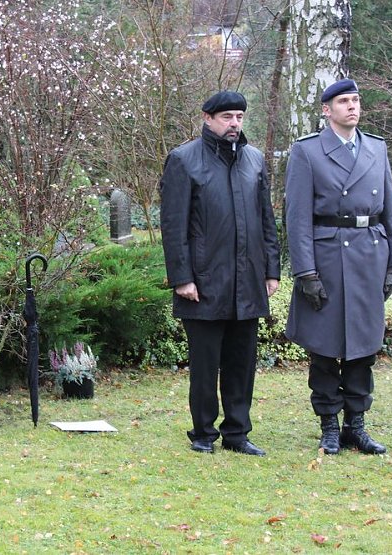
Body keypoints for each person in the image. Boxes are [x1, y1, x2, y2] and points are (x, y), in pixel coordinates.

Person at [284, 78, 392, 455]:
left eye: (355, 100)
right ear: (327, 110)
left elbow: (389, 209)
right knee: (324, 349)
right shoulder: (307, 152)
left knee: (363, 349)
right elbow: (298, 217)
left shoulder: (376, 148)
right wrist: (305, 272)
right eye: (343, 102)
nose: (352, 107)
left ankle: (356, 425)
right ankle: (329, 427)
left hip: (369, 257)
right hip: (325, 259)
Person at [159, 90, 281, 456]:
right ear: (208, 118)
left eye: (240, 117)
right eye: (227, 116)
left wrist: (271, 270)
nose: (234, 124)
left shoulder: (254, 159)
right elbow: (173, 224)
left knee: (242, 363)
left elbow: (266, 220)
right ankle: (202, 432)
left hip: (248, 281)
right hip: (204, 281)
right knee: (205, 363)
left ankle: (237, 432)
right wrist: (182, 278)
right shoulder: (184, 160)